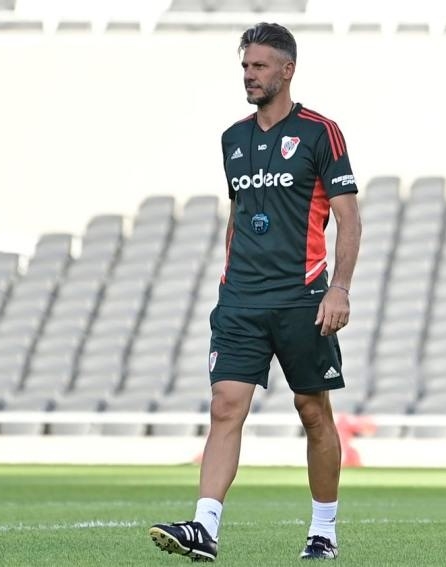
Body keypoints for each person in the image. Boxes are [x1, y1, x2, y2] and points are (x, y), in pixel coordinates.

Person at [149, 22, 362, 562]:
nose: (249, 74)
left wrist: (339, 288)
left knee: (313, 411)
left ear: (287, 70)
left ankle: (323, 530)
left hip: (302, 298)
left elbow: (349, 219)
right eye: (245, 65)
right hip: (241, 300)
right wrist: (228, 280)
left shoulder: (321, 133)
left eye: (260, 66)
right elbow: (239, 215)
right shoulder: (232, 139)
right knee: (225, 406)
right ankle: (204, 527)